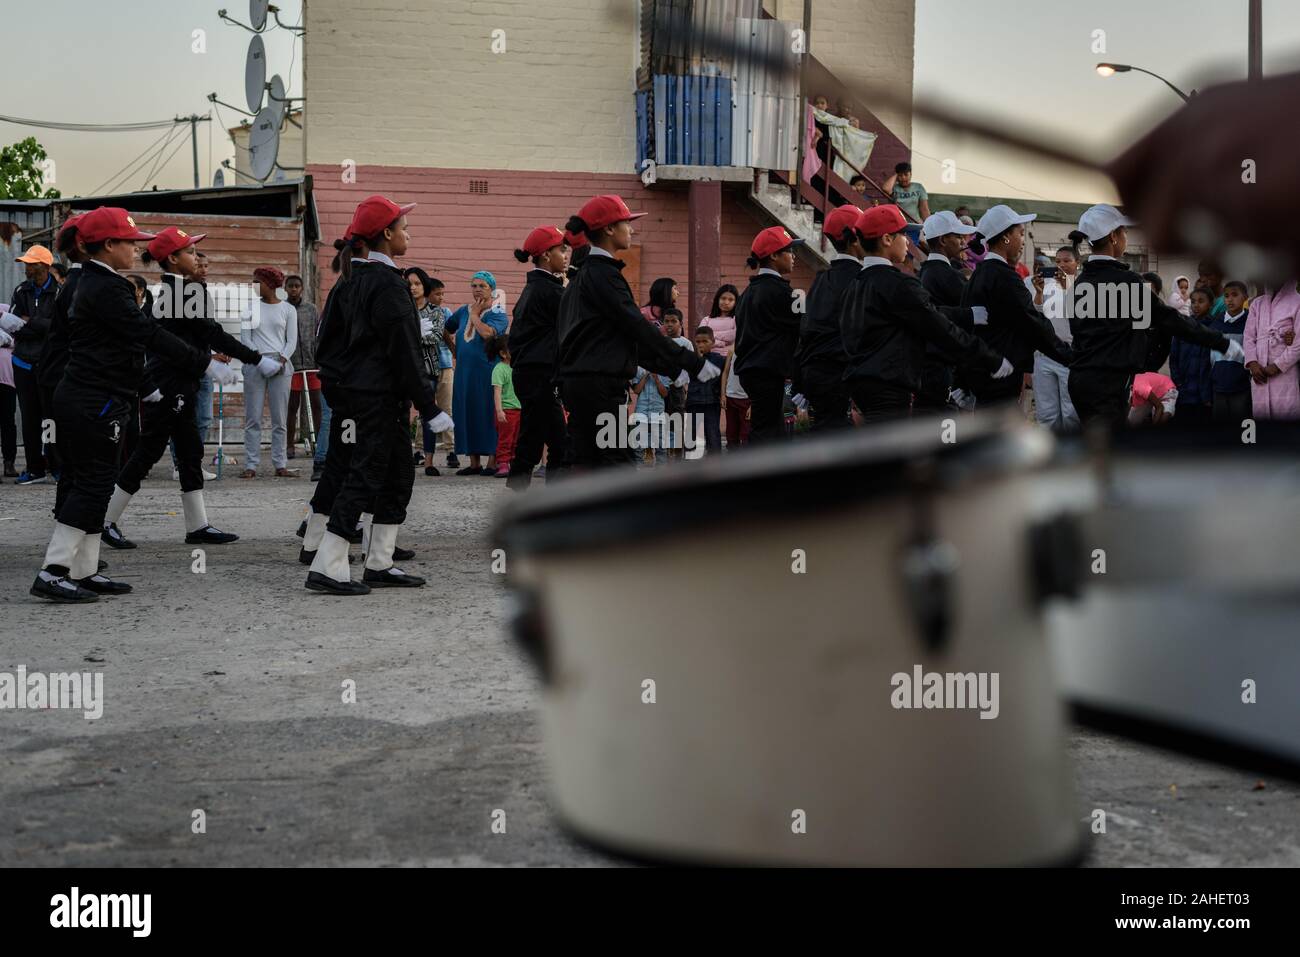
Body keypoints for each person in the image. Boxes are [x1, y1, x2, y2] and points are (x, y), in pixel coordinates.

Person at [30, 208, 238, 603]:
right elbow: (147, 333)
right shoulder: (104, 287)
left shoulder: (98, 282)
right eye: (129, 242)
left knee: (94, 481)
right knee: (91, 485)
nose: (135, 249)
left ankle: (84, 569)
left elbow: (131, 344)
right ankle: (54, 570)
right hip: (93, 399)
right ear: (107, 245)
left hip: (96, 398)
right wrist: (205, 361)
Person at [305, 194, 452, 595]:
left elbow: (326, 346)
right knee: (366, 474)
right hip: (379, 398)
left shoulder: (348, 281)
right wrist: (429, 406)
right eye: (403, 227)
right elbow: (403, 354)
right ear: (386, 234)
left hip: (358, 396)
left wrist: (338, 393)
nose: (408, 233)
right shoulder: (388, 284)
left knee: (396, 475)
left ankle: (379, 562)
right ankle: (329, 565)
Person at [103, 226, 265, 549]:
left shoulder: (177, 291)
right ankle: (104, 521)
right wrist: (257, 359)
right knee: (147, 454)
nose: (196, 257)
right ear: (173, 259)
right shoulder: (181, 294)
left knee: (190, 453)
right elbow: (213, 334)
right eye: (190, 252)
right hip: (169, 388)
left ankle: (197, 525)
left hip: (181, 386)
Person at [556, 194, 713, 469]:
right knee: (618, 463)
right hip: (601, 387)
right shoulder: (603, 274)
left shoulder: (583, 277)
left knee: (587, 463)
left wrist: (672, 369)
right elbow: (637, 326)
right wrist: (688, 360)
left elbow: (617, 340)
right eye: (626, 223)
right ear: (608, 229)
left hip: (583, 384)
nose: (631, 229)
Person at [1065, 205, 1239, 429]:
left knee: (1096, 444)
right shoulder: (1126, 282)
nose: (1126, 236)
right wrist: (1221, 341)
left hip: (1081, 381)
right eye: (1124, 231)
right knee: (1111, 450)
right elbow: (1170, 319)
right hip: (1109, 384)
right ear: (1113, 237)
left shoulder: (1081, 283)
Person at [842, 205, 1011, 423]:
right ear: (886, 239)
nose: (908, 241)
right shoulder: (898, 284)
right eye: (903, 234)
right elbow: (938, 325)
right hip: (890, 388)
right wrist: (990, 358)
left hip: (862, 386)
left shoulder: (855, 285)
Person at [961, 205, 1073, 407]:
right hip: (1001, 376)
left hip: (985, 371)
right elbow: (1032, 323)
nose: (1022, 242)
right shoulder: (1005, 276)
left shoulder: (980, 273)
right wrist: (1069, 356)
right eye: (1020, 234)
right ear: (1005, 237)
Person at [507, 224, 569, 489]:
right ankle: (554, 501)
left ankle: (517, 489)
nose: (565, 255)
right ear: (545, 255)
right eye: (561, 250)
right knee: (560, 442)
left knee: (532, 437)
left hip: (529, 375)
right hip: (540, 376)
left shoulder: (534, 289)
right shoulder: (550, 291)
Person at [734, 226, 805, 441]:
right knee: (765, 430)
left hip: (752, 371)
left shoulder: (748, 292)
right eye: (789, 251)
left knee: (772, 427)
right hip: (767, 372)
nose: (793, 256)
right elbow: (805, 325)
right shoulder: (784, 293)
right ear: (774, 255)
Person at [796, 205, 861, 430]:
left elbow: (805, 329)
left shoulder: (821, 279)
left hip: (816, 373)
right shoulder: (860, 280)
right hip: (841, 374)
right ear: (854, 240)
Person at [37, 216, 87, 508]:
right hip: (64, 380)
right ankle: (68, 531)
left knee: (70, 455)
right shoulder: (80, 286)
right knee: (73, 457)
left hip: (56, 377)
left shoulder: (73, 284)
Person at [4, 244, 59, 484]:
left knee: (51, 418)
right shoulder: (21, 290)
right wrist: (35, 325)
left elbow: (57, 328)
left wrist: (31, 322)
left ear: (43, 266)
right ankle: (35, 468)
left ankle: (56, 466)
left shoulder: (59, 292)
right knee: (29, 418)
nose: (26, 267)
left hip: (49, 365)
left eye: (30, 263)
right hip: (23, 363)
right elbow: (13, 325)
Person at [446, 271, 508, 475]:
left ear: (491, 289)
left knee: (488, 413)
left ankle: (492, 461)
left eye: (482, 286)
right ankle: (474, 463)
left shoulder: (497, 312)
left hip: (488, 373)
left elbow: (489, 334)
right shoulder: (463, 311)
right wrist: (454, 350)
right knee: (468, 412)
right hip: (465, 373)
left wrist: (475, 315)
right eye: (474, 286)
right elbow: (446, 329)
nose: (477, 289)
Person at [916, 210, 979, 414]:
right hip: (942, 365)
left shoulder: (927, 270)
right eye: (958, 236)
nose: (963, 241)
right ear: (943, 240)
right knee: (946, 424)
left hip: (930, 363)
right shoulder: (946, 274)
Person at [238, 267, 297, 478]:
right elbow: (246, 338)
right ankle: (250, 465)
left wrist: (281, 359)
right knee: (252, 417)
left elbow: (291, 341)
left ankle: (280, 464)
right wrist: (259, 359)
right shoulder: (250, 308)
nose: (254, 286)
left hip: (280, 365)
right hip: (255, 363)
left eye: (257, 282)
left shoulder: (288, 310)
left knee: (279, 418)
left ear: (270, 284)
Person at [1026, 246, 1080, 432]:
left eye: (1067, 260)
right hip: (1044, 355)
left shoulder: (1083, 287)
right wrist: (1039, 294)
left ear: (1077, 263)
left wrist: (1069, 288)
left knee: (1071, 411)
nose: (1062, 265)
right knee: (1046, 412)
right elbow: (1038, 315)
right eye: (1057, 261)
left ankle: (1073, 452)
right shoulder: (1047, 287)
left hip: (1070, 355)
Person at [405, 266, 447, 476]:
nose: (413, 288)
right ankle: (402, 457)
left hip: (427, 369)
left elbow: (435, 337)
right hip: (402, 367)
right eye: (409, 284)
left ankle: (429, 460)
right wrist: (418, 331)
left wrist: (411, 334)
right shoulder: (401, 308)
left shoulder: (436, 311)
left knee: (428, 414)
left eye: (417, 283)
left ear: (424, 285)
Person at [1244, 281, 1300, 420]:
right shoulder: (1257, 304)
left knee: (1287, 416)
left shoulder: (1297, 301)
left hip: (1285, 372)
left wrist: (1277, 366)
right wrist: (1252, 363)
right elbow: (1248, 336)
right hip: (1259, 373)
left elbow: (1298, 343)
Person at [285, 274, 321, 462]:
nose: (294, 289)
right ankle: (290, 445)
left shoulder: (311, 309)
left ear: (302, 288)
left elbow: (318, 333)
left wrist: (318, 359)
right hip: (292, 365)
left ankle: (319, 444)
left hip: (312, 363)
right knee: (292, 406)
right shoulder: (282, 308)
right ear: (285, 288)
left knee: (316, 403)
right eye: (290, 286)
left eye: (297, 286)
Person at [1167, 287, 1216, 424]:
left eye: (1201, 301)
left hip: (1205, 394)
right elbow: (1173, 359)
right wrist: (1179, 383)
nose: (1196, 305)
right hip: (1184, 391)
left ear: (1211, 304)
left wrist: (1208, 392)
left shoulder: (1215, 328)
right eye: (1193, 301)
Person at [1207, 280, 1253, 424]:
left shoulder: (1251, 321)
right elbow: (1208, 355)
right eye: (1226, 296)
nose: (1230, 299)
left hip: (1242, 386)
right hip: (1218, 385)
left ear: (1245, 297)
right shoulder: (1215, 323)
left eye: (1235, 295)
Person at [686, 326, 724, 453]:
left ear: (712, 342)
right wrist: (698, 358)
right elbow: (691, 375)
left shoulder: (718, 359)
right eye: (697, 342)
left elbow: (715, 378)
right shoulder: (691, 359)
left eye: (704, 341)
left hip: (712, 402)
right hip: (694, 402)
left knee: (713, 435)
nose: (701, 344)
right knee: (690, 435)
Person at [490, 335, 520, 477]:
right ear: (503, 353)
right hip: (507, 411)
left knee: (517, 439)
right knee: (505, 439)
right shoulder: (500, 369)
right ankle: (502, 463)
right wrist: (499, 411)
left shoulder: (518, 367)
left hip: (519, 410)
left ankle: (514, 462)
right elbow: (497, 392)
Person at [629, 365, 671, 466]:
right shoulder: (639, 369)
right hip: (641, 411)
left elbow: (665, 394)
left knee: (661, 447)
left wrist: (656, 378)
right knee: (638, 447)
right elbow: (636, 390)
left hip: (658, 412)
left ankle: (661, 473)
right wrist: (645, 376)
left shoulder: (663, 370)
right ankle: (638, 472)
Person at [719, 346, 750, 449]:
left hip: (747, 399)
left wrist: (753, 404)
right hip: (730, 397)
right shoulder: (732, 350)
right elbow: (725, 372)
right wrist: (723, 394)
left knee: (746, 435)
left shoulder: (754, 350)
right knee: (731, 434)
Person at [0, 305, 16, 477]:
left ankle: (9, 463)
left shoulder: (6, 310)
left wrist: (7, 341)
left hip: (6, 379)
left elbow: (20, 335)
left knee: (8, 422)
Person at [703, 284, 739, 356]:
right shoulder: (707, 320)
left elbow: (734, 335)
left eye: (731, 300)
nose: (726, 302)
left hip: (729, 359)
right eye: (723, 298)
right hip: (708, 358)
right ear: (717, 299)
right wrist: (722, 343)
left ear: (736, 302)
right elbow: (702, 338)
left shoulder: (736, 319)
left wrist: (711, 335)